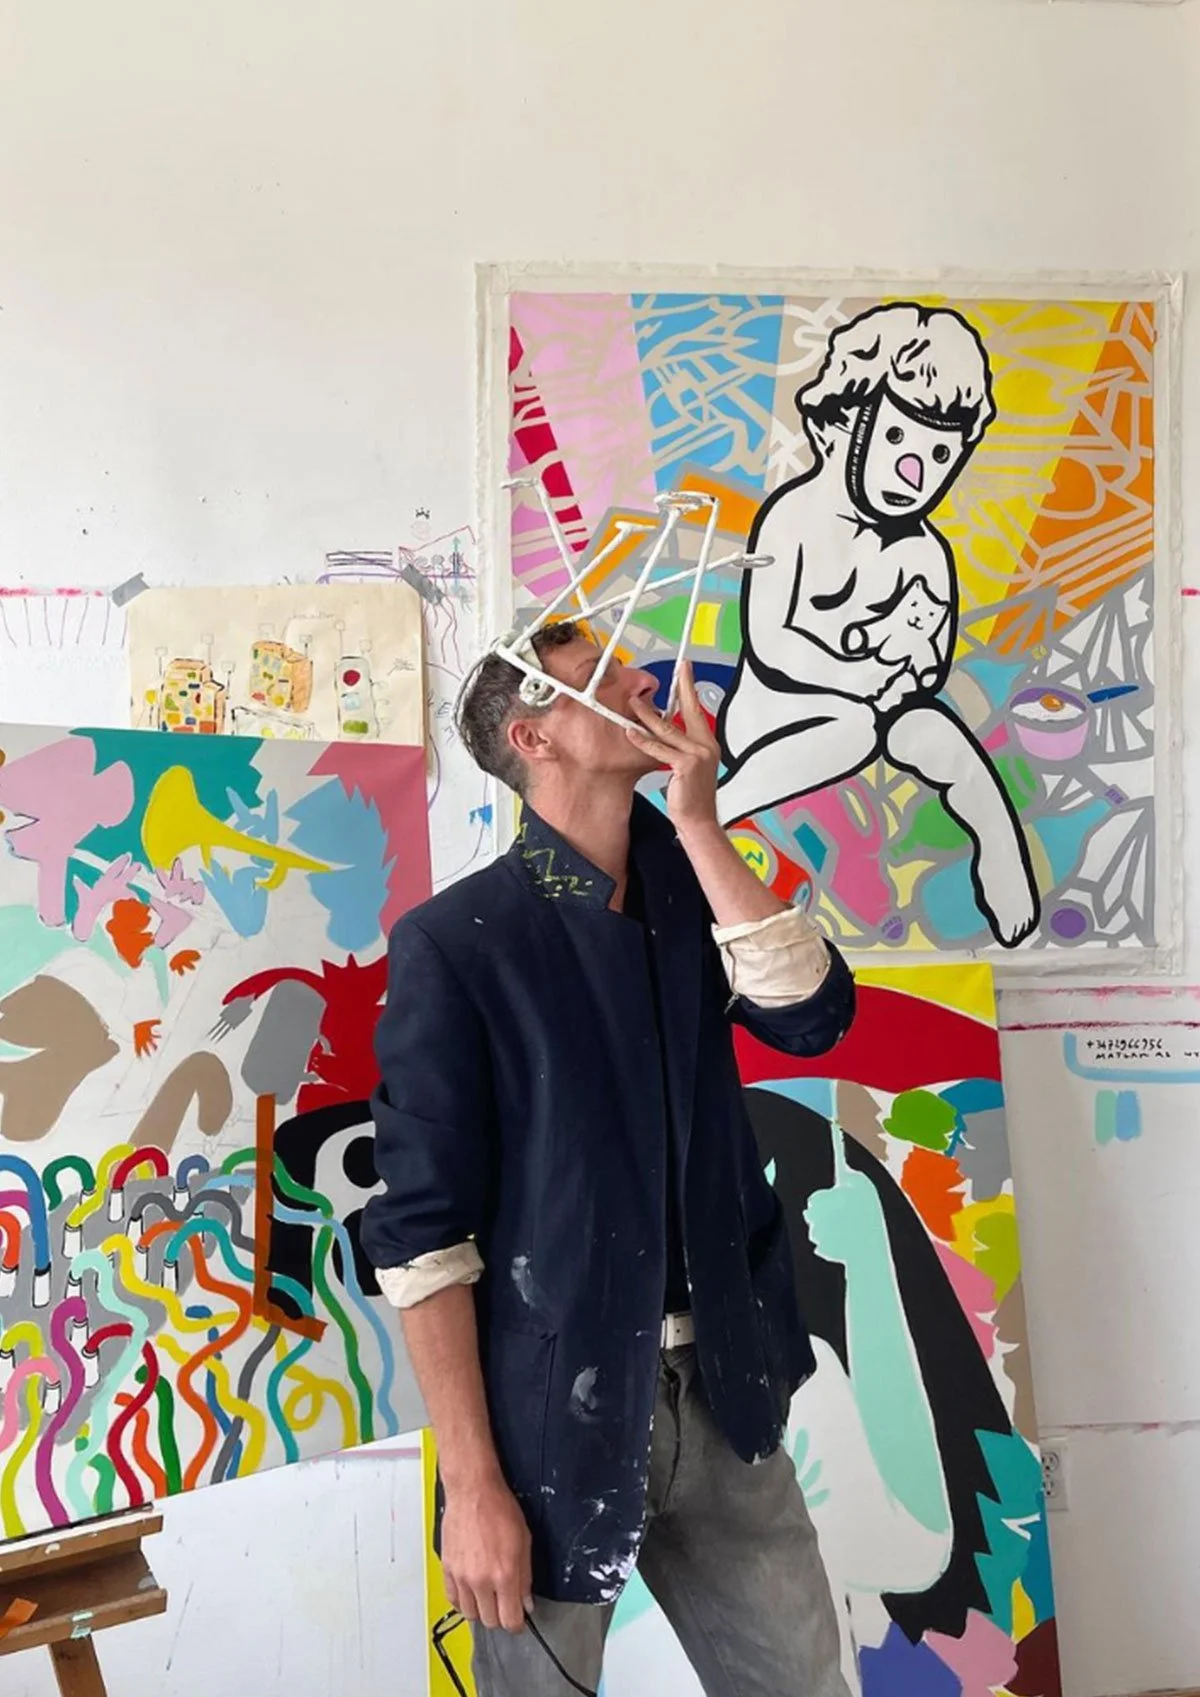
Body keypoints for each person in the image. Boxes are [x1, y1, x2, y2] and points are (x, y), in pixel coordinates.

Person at [362, 620, 857, 1697]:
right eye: (601, 675)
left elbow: (812, 1016)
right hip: (548, 1425)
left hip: (727, 1388)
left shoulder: (691, 884)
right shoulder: (458, 942)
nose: (642, 679)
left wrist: (701, 823)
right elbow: (421, 1239)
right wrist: (472, 1485)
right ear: (534, 736)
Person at [715, 301, 1040, 949]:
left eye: (940, 452)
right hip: (773, 715)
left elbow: (932, 661)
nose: (914, 472)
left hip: (874, 706)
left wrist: (913, 659)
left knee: (934, 730)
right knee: (854, 727)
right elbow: (772, 643)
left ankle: (1003, 856)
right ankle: (719, 808)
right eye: (896, 438)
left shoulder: (924, 551)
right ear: (842, 423)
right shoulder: (792, 517)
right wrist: (861, 670)